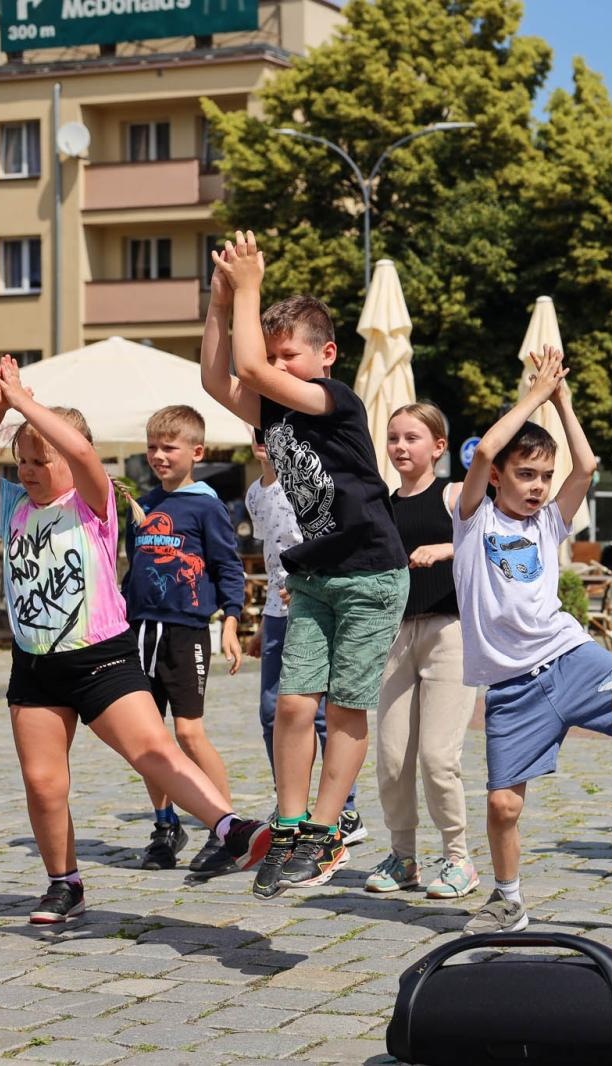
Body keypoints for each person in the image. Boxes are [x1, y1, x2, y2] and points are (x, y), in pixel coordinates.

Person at [0, 355, 270, 924]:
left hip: (102, 658)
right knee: (44, 781)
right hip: (35, 665)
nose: (26, 470)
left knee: (154, 751)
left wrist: (29, 404)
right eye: (20, 460)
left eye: (38, 459)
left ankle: (231, 828)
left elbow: (77, 452)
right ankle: (63, 883)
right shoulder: (12, 506)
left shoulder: (93, 502)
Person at [203, 233, 408, 897]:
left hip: (371, 571)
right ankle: (290, 825)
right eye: (271, 357)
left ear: (325, 356)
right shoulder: (272, 410)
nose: (273, 367)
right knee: (293, 705)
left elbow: (253, 373)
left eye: (287, 355)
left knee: (345, 706)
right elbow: (215, 378)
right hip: (314, 574)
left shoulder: (337, 401)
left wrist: (252, 285)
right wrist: (220, 299)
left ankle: (325, 832)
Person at [452, 346, 612, 933]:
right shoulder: (474, 517)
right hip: (509, 687)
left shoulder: (550, 520)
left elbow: (587, 466)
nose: (538, 486)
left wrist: (563, 400)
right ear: (499, 474)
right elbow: (483, 451)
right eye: (526, 474)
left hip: (568, 656)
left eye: (544, 476)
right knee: (503, 805)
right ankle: (508, 899)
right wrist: (532, 396)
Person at [124, 404, 246, 873]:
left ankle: (229, 830)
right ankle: (164, 825)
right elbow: (132, 567)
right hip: (139, 630)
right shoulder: (144, 504)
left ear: (196, 451)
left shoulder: (206, 505)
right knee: (146, 737)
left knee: (188, 732)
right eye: (152, 447)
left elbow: (228, 567)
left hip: (186, 631)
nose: (158, 455)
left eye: (168, 447)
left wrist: (231, 621)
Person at [365, 402, 479, 900]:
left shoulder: (453, 495)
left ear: (438, 447)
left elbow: (494, 539)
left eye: (411, 438)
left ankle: (459, 859)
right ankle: (403, 858)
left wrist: (446, 548)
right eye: (393, 438)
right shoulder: (382, 506)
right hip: (394, 637)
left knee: (437, 756)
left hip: (448, 634)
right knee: (391, 758)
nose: (399, 447)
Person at [244, 433, 364, 842]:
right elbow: (271, 557)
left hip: (311, 607)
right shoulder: (255, 495)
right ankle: (290, 801)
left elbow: (330, 542)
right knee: (270, 712)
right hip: (277, 615)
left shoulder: (309, 483)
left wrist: (309, 583)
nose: (261, 441)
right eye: (256, 434)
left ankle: (343, 809)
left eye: (268, 435)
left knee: (320, 714)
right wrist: (263, 623)